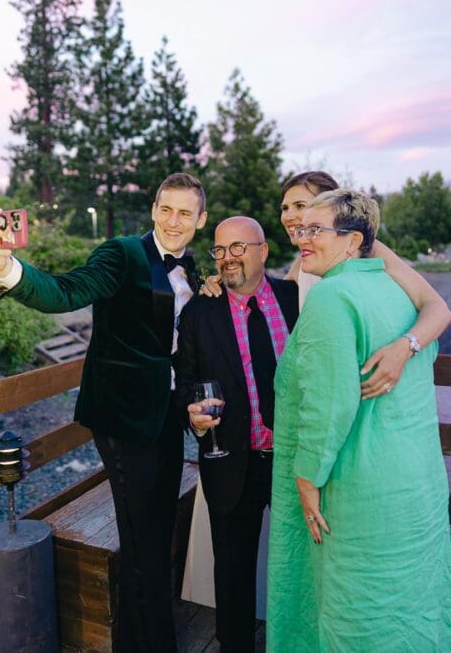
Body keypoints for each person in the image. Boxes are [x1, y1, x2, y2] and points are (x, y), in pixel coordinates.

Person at [0, 172, 209, 652]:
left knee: (157, 528)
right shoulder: (121, 253)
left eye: (185, 213)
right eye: (166, 209)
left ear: (200, 221)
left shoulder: (193, 269)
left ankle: (144, 636)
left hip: (165, 414)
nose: (173, 221)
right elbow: (65, 292)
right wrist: (8, 269)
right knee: (142, 535)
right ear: (153, 210)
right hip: (123, 418)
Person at [266, 189, 451, 650]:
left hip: (360, 489)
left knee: (357, 611)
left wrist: (307, 477)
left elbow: (329, 405)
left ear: (352, 241)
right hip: (414, 486)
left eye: (315, 230)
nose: (302, 238)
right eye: (301, 228)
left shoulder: (333, 297)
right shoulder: (392, 289)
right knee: (407, 602)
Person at [203, 171, 450, 398]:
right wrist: (224, 281)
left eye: (300, 206)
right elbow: (269, 299)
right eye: (285, 207)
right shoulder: (303, 264)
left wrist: (402, 350)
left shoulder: (366, 248)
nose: (288, 216)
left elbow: (437, 308)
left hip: (371, 386)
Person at [174, 217, 298, 651]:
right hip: (232, 461)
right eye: (220, 250)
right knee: (232, 571)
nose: (227, 258)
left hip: (293, 461)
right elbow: (185, 378)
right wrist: (193, 411)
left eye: (238, 248)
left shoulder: (294, 298)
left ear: (263, 251)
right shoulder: (199, 311)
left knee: (300, 565)